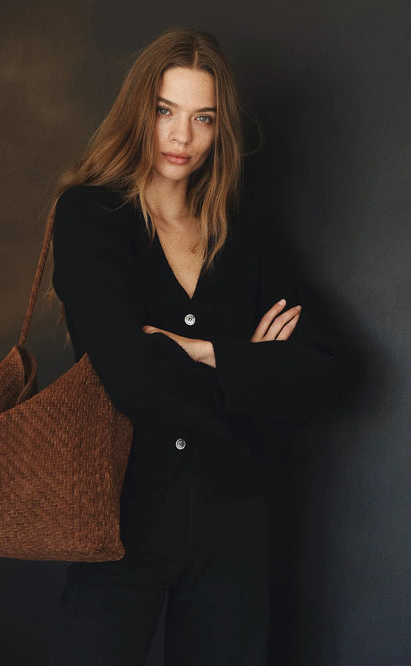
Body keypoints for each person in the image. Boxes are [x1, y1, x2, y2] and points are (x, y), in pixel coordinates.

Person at [47, 26, 340, 666]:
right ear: (138, 112)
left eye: (202, 118)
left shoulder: (248, 235)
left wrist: (207, 352)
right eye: (165, 111)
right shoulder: (90, 216)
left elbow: (323, 372)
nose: (181, 136)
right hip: (119, 517)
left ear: (219, 128)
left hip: (235, 525)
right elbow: (131, 378)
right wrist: (254, 371)